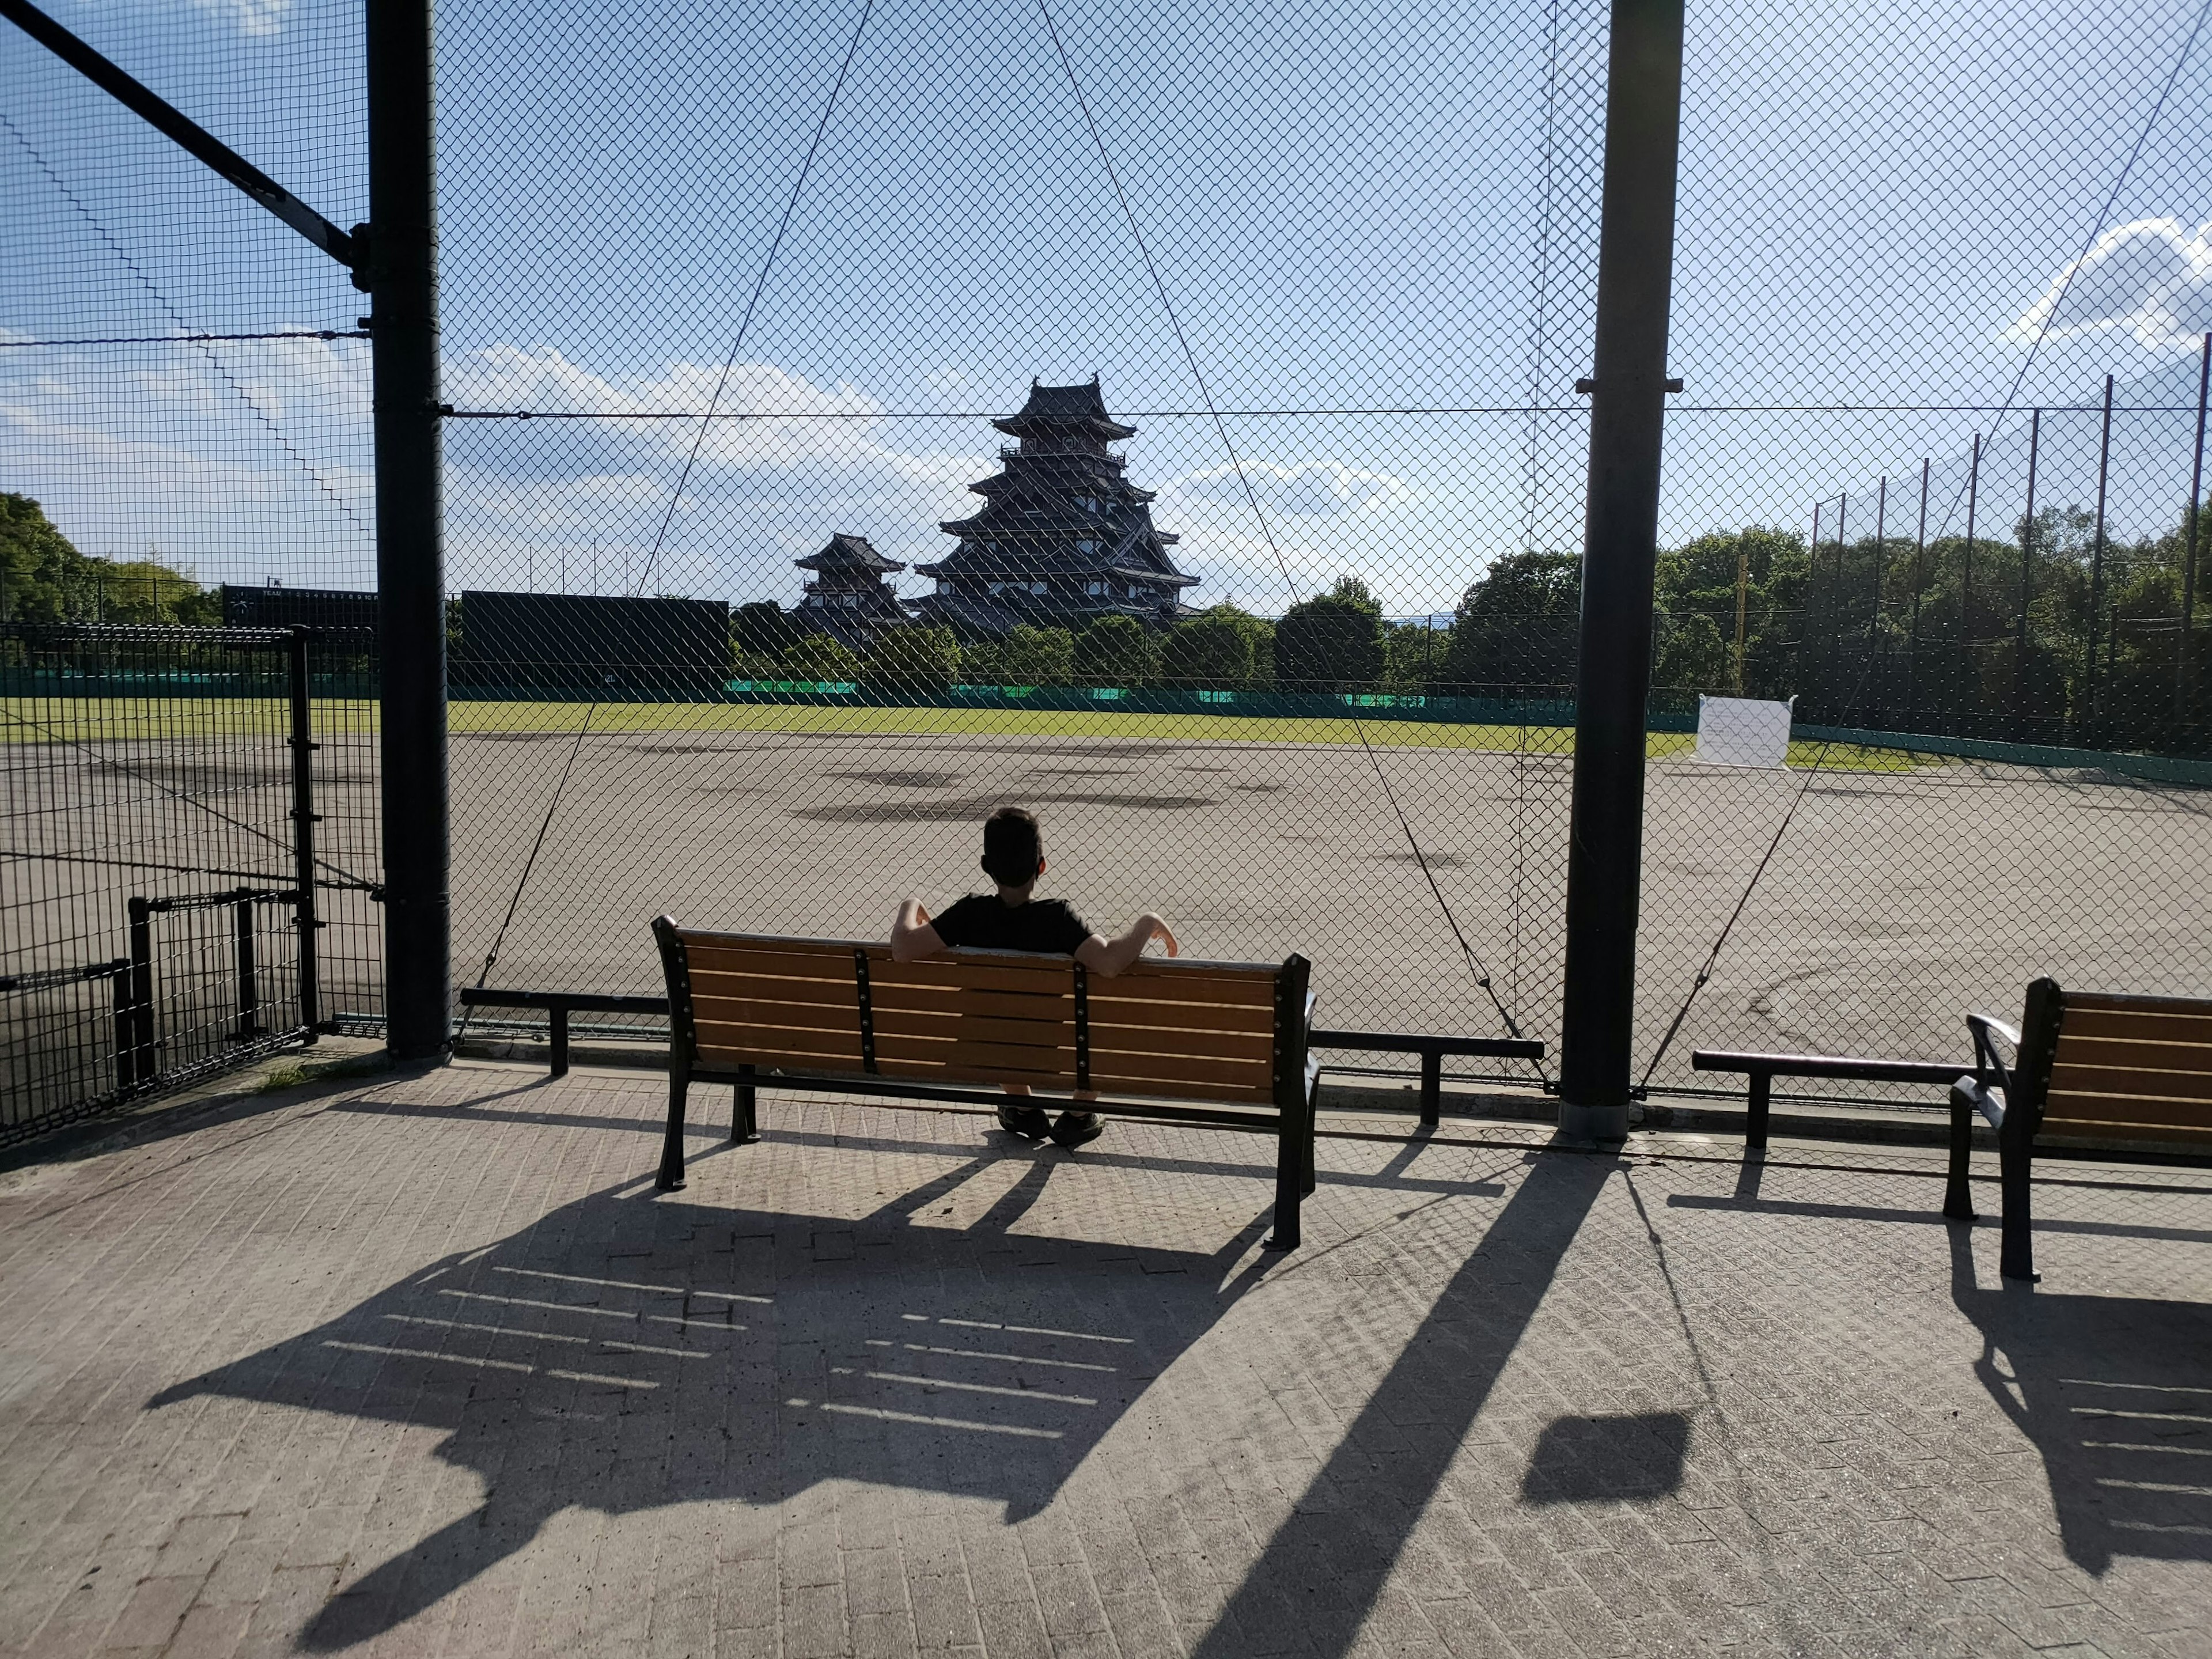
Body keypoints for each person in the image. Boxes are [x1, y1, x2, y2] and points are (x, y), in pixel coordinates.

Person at [891, 806, 1178, 1149]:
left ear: (986, 867)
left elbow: (903, 948)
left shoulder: (969, 915)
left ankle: (1022, 1106)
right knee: (1106, 1018)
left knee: (997, 1020)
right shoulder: (1057, 919)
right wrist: (1147, 922)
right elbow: (1110, 963)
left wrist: (911, 903)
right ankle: (1077, 1112)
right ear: (1041, 866)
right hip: (1055, 1053)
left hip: (989, 1052)